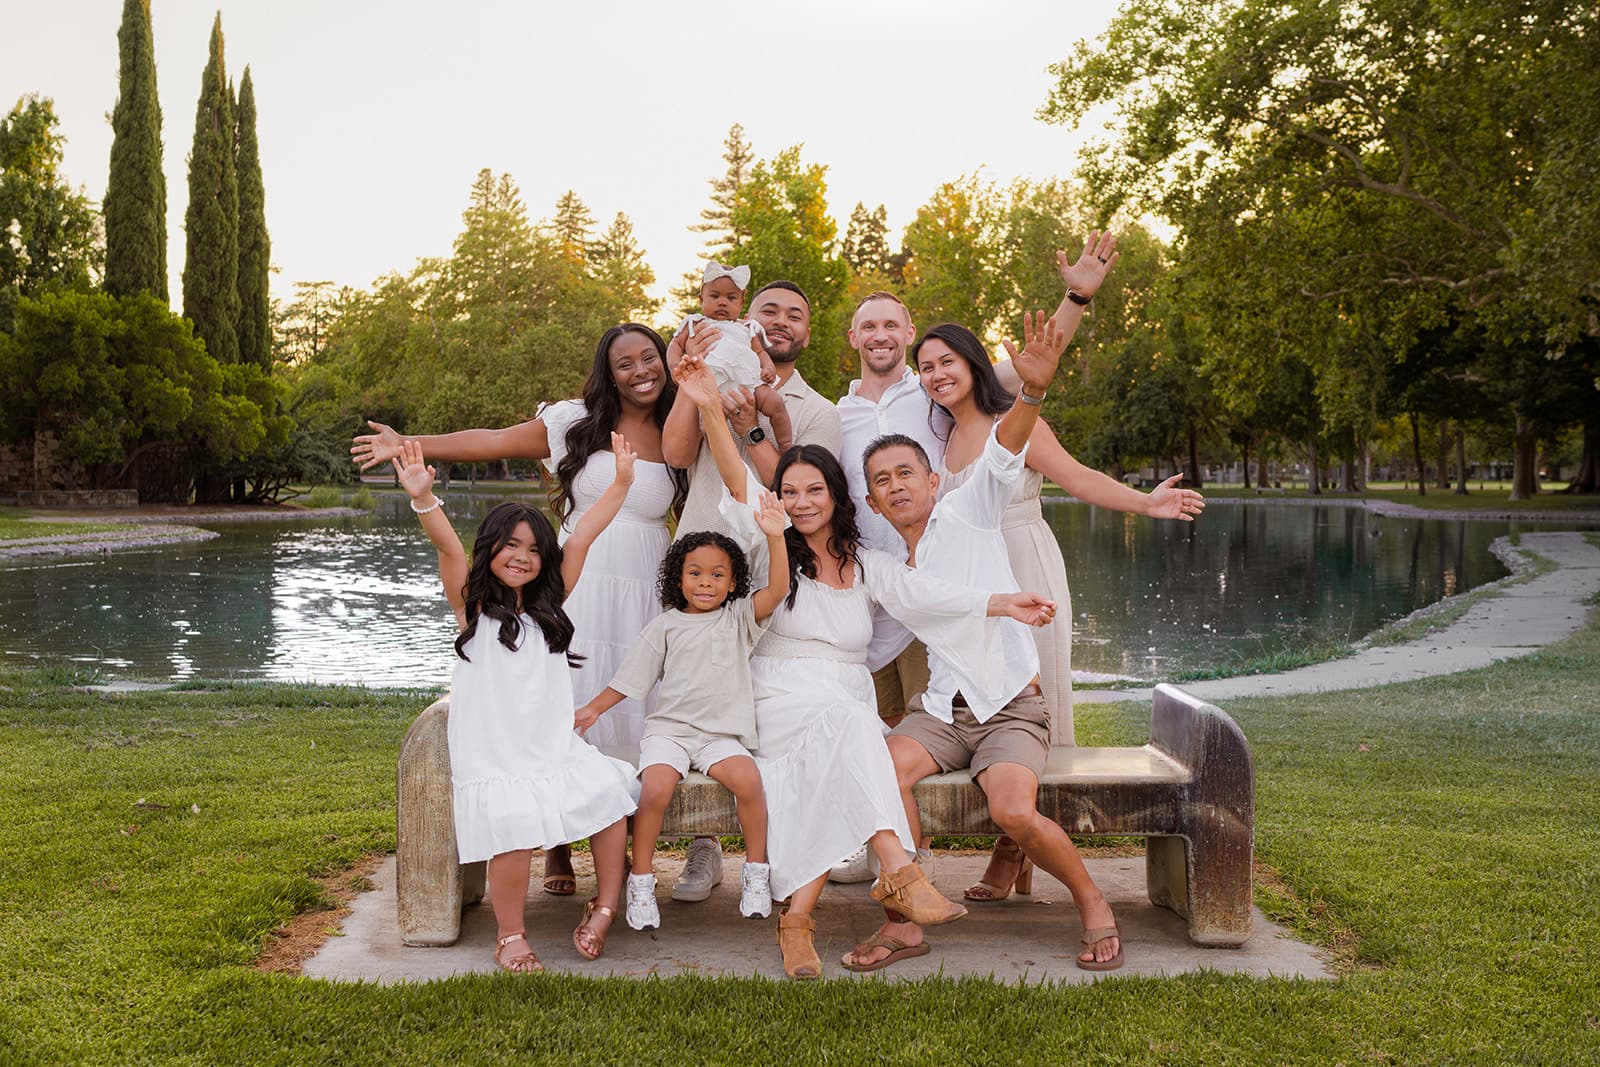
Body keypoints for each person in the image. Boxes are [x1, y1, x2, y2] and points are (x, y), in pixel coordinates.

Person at [674, 352, 1058, 978]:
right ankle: (900, 873)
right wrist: (710, 406)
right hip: (779, 696)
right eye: (790, 492)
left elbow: (924, 595)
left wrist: (999, 602)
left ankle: (798, 922)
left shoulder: (867, 565)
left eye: (813, 491)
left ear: (836, 497)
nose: (799, 503)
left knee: (851, 735)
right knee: (855, 734)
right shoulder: (767, 542)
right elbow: (737, 477)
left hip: (842, 702)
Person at [350, 323, 684, 896]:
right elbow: (491, 440)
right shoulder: (575, 422)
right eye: (623, 363)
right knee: (563, 692)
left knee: (632, 702)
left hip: (647, 578)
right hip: (579, 574)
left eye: (649, 358)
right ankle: (556, 847)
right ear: (608, 372)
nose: (640, 371)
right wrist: (412, 445)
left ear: (665, 360)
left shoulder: (680, 428)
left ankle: (619, 844)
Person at [846, 311, 1127, 972]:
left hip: (1008, 706)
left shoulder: (970, 515)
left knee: (1012, 809)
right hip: (944, 711)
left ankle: (1092, 900)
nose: (896, 486)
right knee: (877, 773)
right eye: (882, 482)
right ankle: (905, 920)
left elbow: (1005, 450)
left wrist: (1031, 392)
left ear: (935, 480)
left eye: (906, 473)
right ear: (874, 503)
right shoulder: (885, 565)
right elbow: (917, 598)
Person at [922, 317, 1204, 902]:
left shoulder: (1016, 421)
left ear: (974, 364)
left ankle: (1012, 848)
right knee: (984, 700)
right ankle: (1013, 835)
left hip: (1024, 563)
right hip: (975, 590)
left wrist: (1145, 505)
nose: (935, 375)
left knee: (1035, 700)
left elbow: (1077, 478)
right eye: (925, 366)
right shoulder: (942, 437)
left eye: (947, 361)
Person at [391, 436, 640, 972]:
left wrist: (621, 483)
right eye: (510, 546)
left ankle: (603, 910)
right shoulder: (474, 608)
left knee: (610, 801)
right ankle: (510, 934)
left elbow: (584, 536)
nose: (522, 557)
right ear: (492, 549)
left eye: (532, 549)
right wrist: (423, 499)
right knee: (512, 829)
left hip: (551, 750)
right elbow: (449, 549)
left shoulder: (551, 608)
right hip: (498, 755)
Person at [659, 279, 842, 901]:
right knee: (695, 691)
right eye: (769, 310)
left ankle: (787, 843)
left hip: (775, 562)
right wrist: (694, 383)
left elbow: (805, 493)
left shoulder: (818, 409)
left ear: (806, 333)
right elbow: (679, 454)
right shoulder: (709, 364)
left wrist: (755, 428)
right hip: (704, 553)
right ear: (748, 319)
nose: (781, 321)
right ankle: (703, 846)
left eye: (797, 314)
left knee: (768, 705)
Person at [574, 490, 790, 932]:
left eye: (716, 575)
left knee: (750, 782)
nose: (706, 583)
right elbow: (630, 678)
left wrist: (776, 536)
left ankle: (755, 873)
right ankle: (641, 880)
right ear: (678, 579)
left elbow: (780, 589)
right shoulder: (666, 625)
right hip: (669, 732)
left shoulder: (739, 619)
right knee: (654, 789)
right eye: (695, 573)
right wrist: (592, 710)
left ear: (733, 583)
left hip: (719, 736)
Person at [665, 261, 793, 451]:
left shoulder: (746, 328)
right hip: (713, 387)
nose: (722, 302)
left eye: (731, 298)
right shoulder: (694, 323)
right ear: (701, 298)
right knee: (711, 424)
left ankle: (786, 445)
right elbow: (675, 345)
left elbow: (760, 352)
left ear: (742, 302)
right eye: (714, 296)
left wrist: (768, 368)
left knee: (776, 403)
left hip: (749, 384)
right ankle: (717, 453)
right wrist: (676, 366)